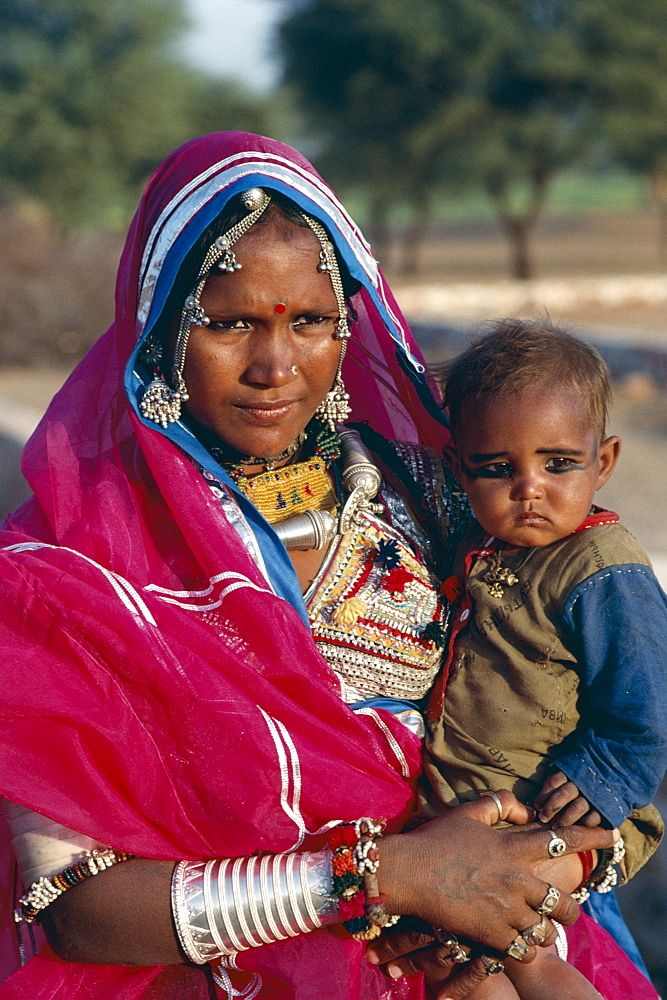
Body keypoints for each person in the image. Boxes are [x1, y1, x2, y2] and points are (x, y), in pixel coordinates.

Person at [0, 133, 636, 1000]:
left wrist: (540, 874)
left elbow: (600, 704)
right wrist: (390, 878)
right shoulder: (73, 567)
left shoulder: (445, 496)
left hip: (497, 945)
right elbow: (71, 906)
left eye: (309, 322)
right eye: (226, 323)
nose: (274, 366)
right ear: (158, 327)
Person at [421, 319, 667, 998]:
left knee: (514, 945)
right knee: (469, 962)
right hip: (475, 808)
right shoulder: (480, 548)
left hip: (560, 813)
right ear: (456, 469)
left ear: (603, 462)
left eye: (558, 463)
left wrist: (600, 778)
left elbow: (650, 698)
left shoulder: (601, 570)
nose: (529, 487)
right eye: (497, 469)